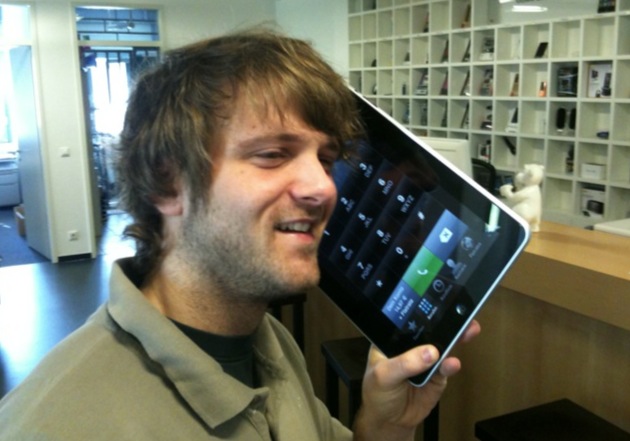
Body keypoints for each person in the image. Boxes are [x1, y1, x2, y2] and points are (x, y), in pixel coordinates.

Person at [0, 29, 479, 440]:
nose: (322, 187)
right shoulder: (58, 425)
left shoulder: (266, 341)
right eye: (272, 154)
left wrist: (384, 424)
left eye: (326, 160)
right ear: (168, 183)